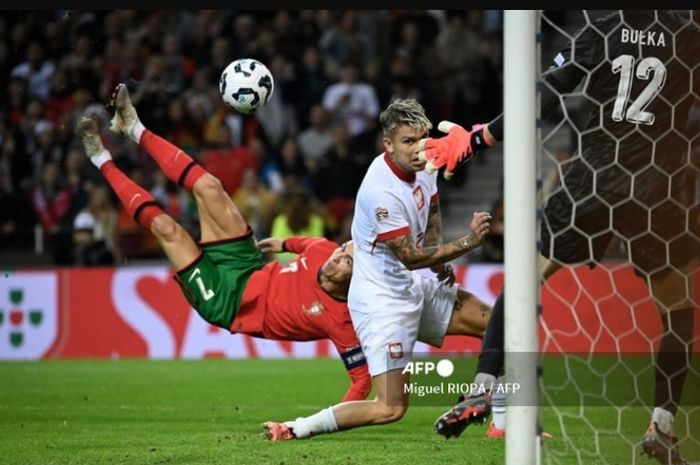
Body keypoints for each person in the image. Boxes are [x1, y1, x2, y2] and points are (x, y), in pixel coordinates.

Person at [76, 83, 491, 406]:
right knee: (209, 186)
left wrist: (330, 419)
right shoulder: (328, 252)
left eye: (347, 260)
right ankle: (132, 127)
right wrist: (278, 242)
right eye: (345, 250)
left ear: (353, 285)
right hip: (250, 266)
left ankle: (101, 160)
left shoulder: (342, 318)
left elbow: (362, 382)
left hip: (228, 300)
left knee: (167, 228)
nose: (340, 255)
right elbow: (308, 241)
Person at [422, 10, 699, 465]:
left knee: (526, 281)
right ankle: (662, 427)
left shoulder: (599, 28)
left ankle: (481, 391)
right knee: (678, 312)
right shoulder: (688, 35)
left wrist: (478, 140)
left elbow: (544, 96)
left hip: (591, 181)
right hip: (656, 190)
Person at [262, 98, 493, 441]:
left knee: (498, 325)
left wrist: (439, 254)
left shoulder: (427, 162)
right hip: (382, 303)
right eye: (408, 142)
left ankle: (496, 419)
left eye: (422, 139)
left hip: (411, 286)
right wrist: (467, 243)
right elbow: (410, 257)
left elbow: (431, 207)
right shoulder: (380, 191)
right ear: (388, 144)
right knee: (390, 408)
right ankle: (296, 428)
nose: (419, 150)